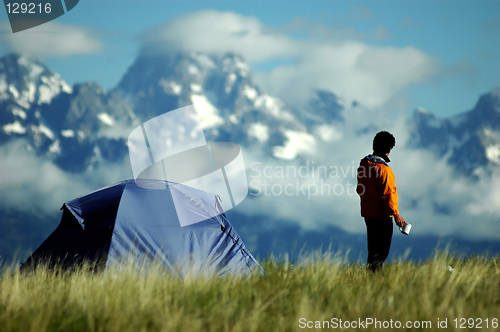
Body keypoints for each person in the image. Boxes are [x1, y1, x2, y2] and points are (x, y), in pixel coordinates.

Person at [356, 131, 406, 272]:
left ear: (374, 145)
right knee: (382, 251)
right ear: (389, 149)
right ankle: (375, 279)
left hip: (368, 214)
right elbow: (388, 195)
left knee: (372, 249)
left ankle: (371, 278)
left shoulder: (363, 166)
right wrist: (396, 215)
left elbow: (359, 189)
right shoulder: (384, 170)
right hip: (382, 215)